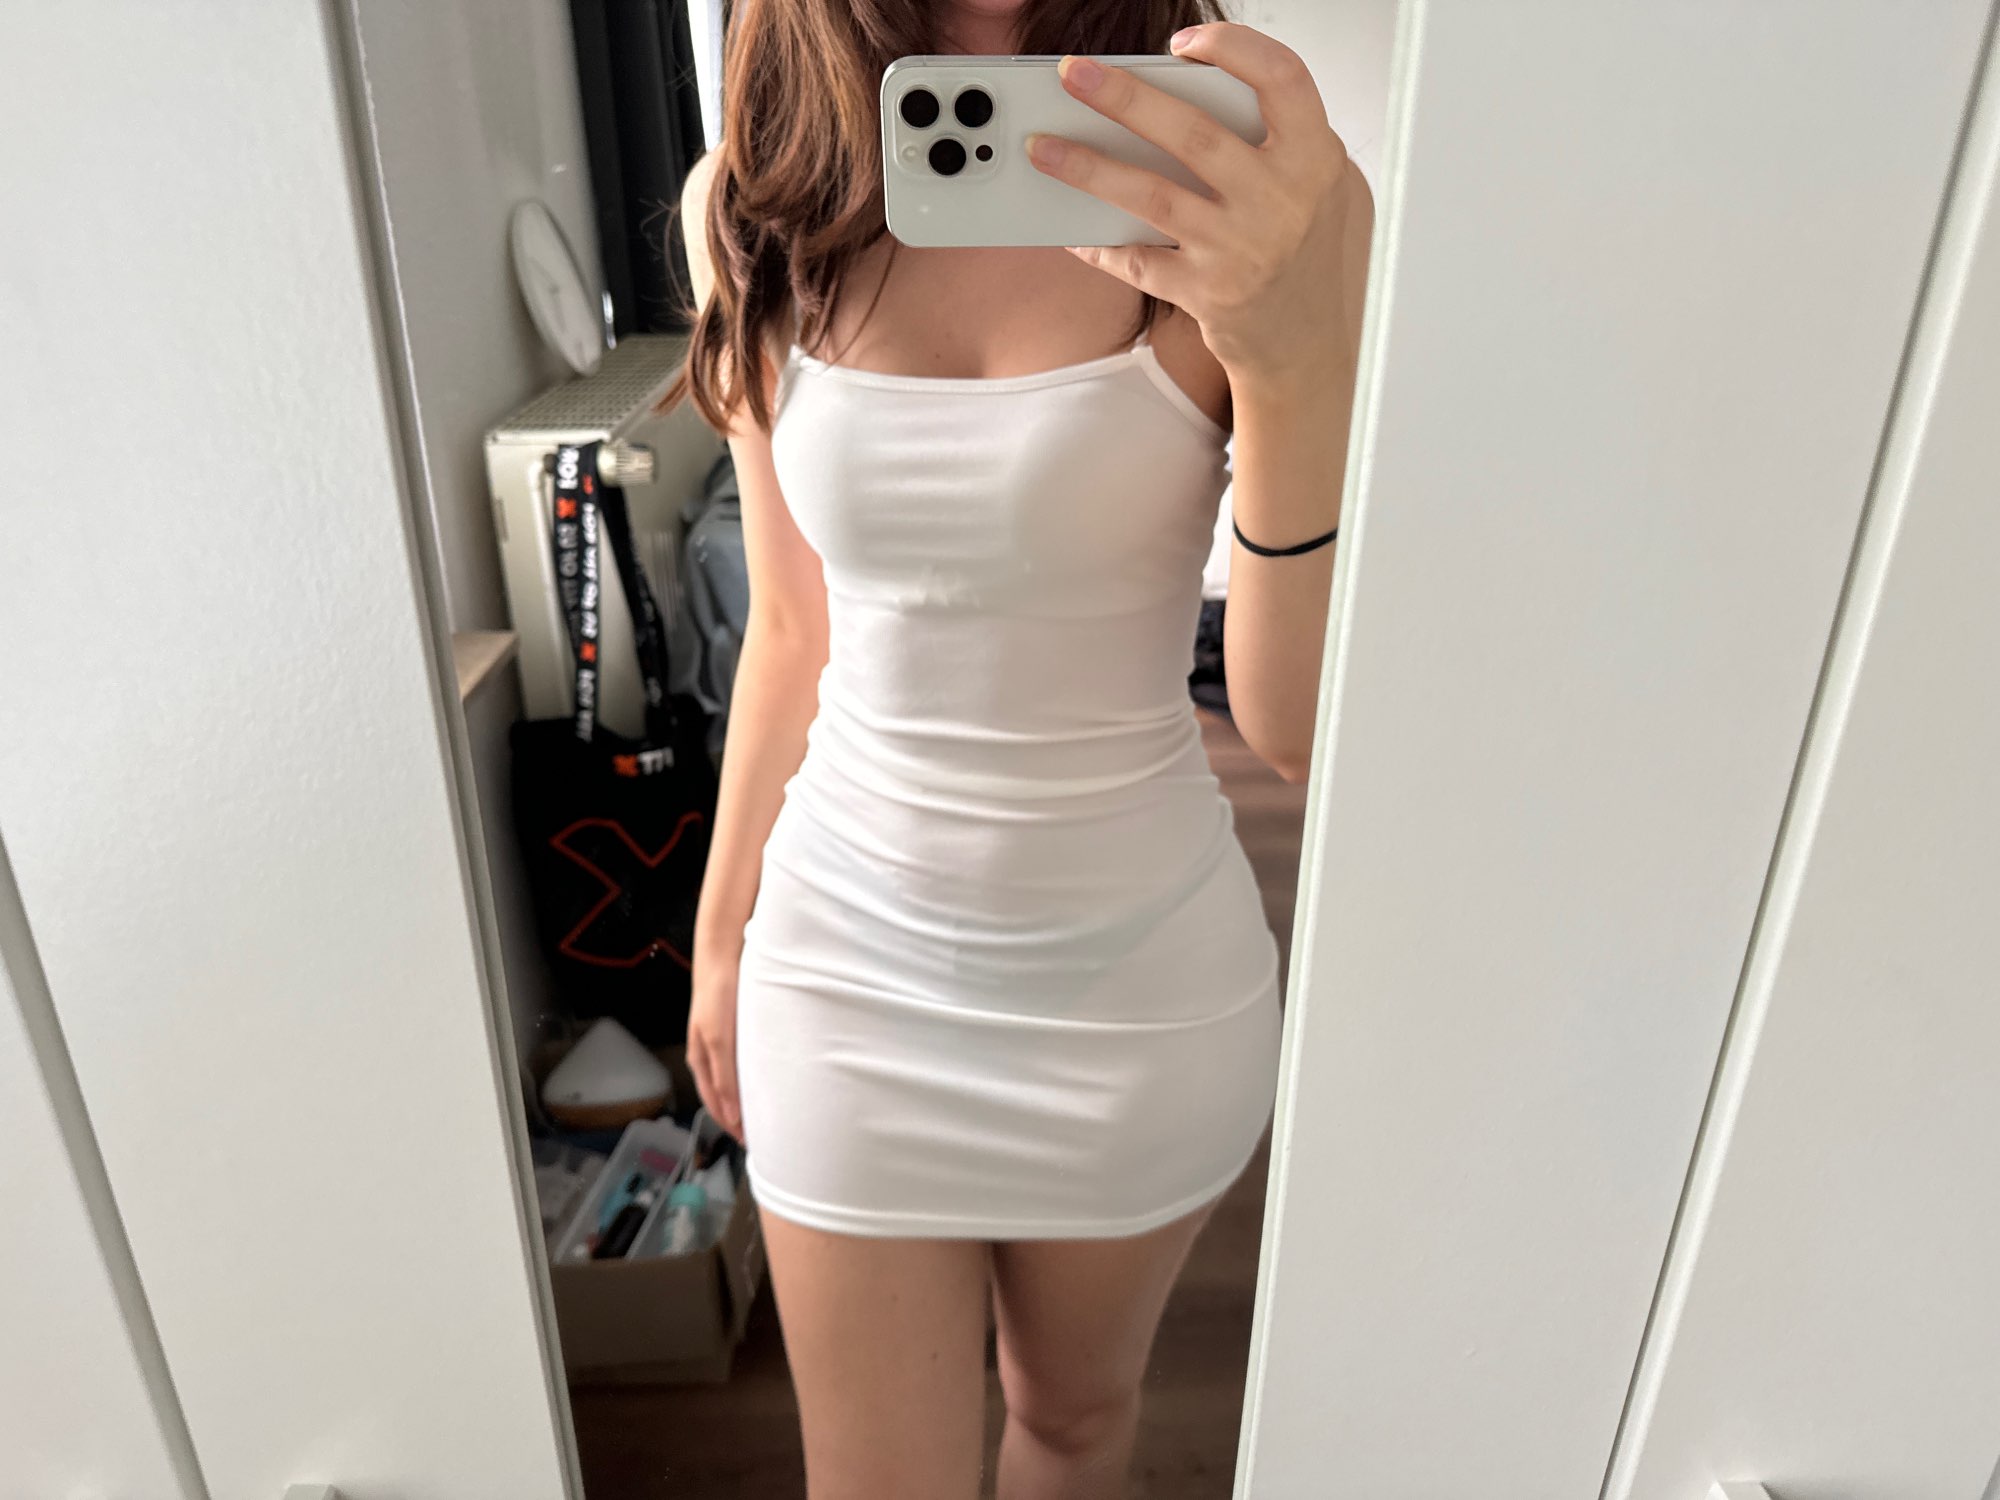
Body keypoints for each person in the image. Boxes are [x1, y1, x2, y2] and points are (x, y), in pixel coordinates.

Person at [673, 1, 1371, 1494]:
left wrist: (1294, 360)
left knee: (1073, 1423)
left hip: (1135, 992)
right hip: (842, 967)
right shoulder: (753, 193)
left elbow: (1295, 724)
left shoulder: (1248, 190)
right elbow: (790, 625)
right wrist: (719, 934)